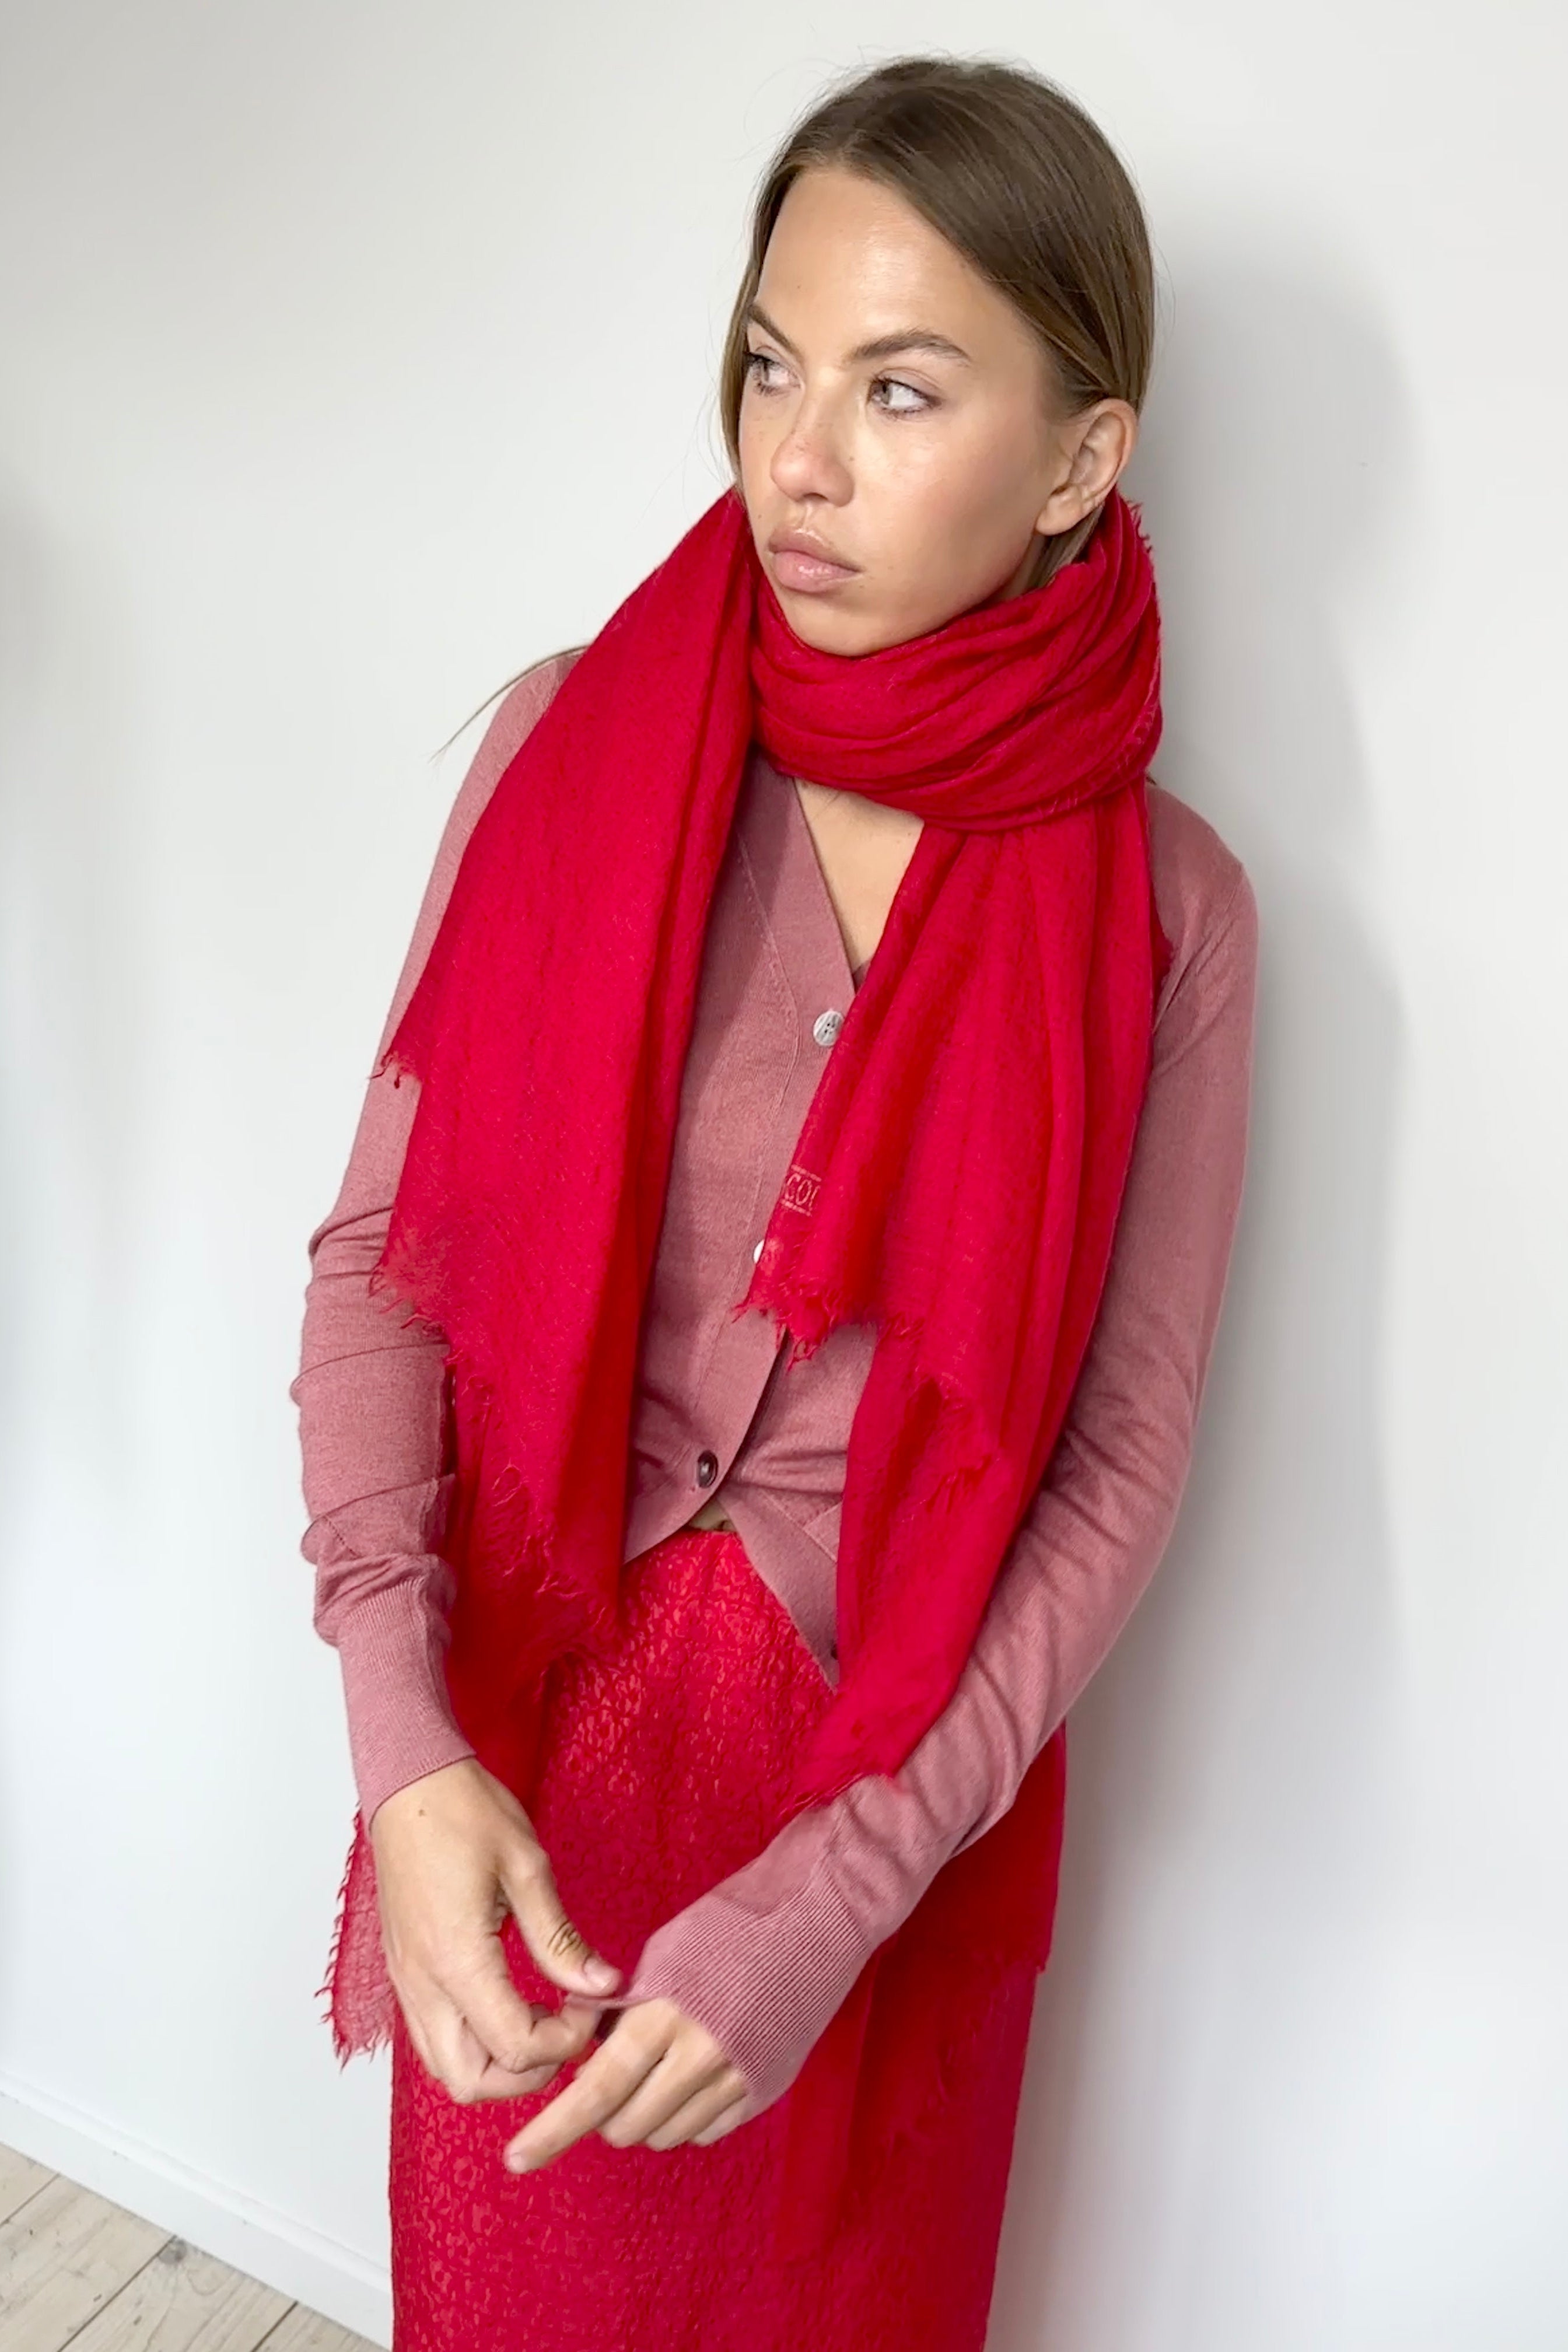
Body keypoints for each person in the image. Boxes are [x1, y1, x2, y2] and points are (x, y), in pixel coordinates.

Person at [290, 51, 1258, 2352]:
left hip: (883, 1816)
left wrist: (837, 1894)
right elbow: (380, 1271)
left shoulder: (1166, 917)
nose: (794, 462)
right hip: (529, 1769)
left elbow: (1115, 1466)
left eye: (903, 392)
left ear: (1077, 460)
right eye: (767, 363)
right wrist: (406, 1757)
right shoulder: (573, 743)